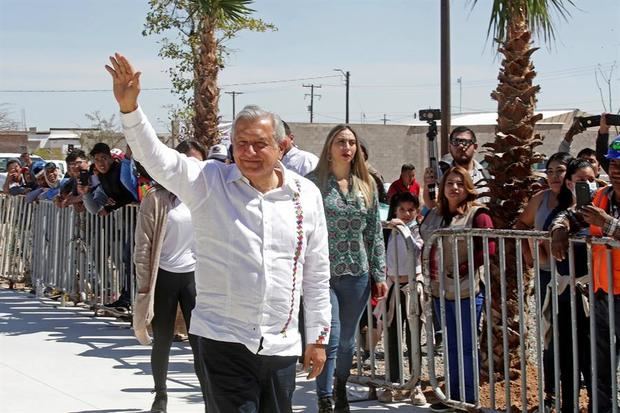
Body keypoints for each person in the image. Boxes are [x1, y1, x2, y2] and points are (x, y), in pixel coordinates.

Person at [107, 52, 331, 413]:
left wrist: (318, 337)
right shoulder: (208, 183)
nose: (250, 152)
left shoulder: (306, 195)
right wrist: (131, 109)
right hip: (222, 339)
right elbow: (157, 158)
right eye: (241, 143)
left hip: (280, 346)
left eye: (260, 143)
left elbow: (317, 272)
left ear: (280, 146)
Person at [306, 124, 387, 413]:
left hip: (357, 273)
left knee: (347, 343)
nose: (347, 147)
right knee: (330, 336)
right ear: (329, 147)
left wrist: (380, 273)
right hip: (322, 274)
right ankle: (324, 397)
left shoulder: (366, 186)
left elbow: (374, 232)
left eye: (351, 142)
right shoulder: (312, 183)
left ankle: (340, 386)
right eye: (341, 141)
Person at [133, 142, 207, 413]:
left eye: (198, 163)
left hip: (194, 277)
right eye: (187, 161)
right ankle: (160, 395)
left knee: (201, 340)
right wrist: (143, 286)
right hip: (163, 276)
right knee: (162, 338)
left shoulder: (206, 196)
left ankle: (209, 395)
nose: (192, 168)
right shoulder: (156, 198)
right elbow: (143, 246)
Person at [551, 135, 620, 413]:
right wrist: (559, 229)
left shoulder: (604, 207)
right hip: (603, 296)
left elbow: (604, 224)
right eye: (613, 163)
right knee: (601, 371)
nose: (616, 169)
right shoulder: (601, 197)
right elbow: (571, 214)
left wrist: (610, 225)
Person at [419, 166, 495, 412]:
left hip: (466, 290)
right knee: (450, 345)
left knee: (466, 346)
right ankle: (451, 396)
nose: (454, 188)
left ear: (468, 188)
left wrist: (465, 266)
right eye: (450, 183)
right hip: (439, 290)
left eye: (460, 184)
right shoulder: (435, 214)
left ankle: (469, 399)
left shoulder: (478, 214)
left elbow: (489, 247)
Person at [513, 151, 571, 407]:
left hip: (579, 278)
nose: (555, 176)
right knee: (550, 337)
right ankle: (551, 394)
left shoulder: (581, 199)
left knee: (580, 337)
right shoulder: (541, 199)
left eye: (560, 170)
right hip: (547, 275)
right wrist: (529, 255)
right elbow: (521, 224)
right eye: (550, 171)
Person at [540, 158, 595, 413]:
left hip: (597, 295)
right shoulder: (563, 213)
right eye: (581, 181)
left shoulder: (603, 209)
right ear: (570, 183)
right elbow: (557, 222)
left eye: (592, 180)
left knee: (595, 359)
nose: (587, 186)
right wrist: (559, 228)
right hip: (566, 294)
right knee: (568, 356)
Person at [383, 192, 426, 406]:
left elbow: (418, 250)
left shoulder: (418, 230)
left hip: (412, 285)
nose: (407, 214)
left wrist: (405, 229)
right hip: (392, 285)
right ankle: (394, 383)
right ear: (395, 211)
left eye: (411, 210)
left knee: (414, 336)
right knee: (392, 335)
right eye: (402, 209)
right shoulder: (388, 231)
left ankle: (415, 384)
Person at [423, 126, 489, 209]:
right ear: (450, 147)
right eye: (456, 142)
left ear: (475, 147)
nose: (461, 146)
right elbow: (432, 206)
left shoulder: (487, 176)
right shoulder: (441, 173)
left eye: (466, 142)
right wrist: (428, 185)